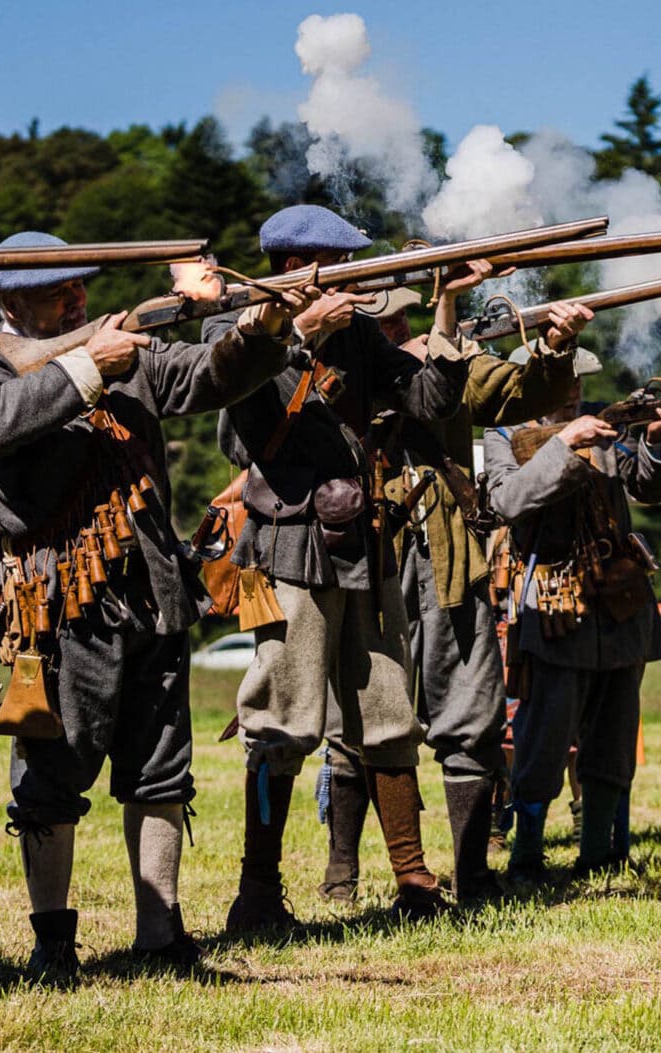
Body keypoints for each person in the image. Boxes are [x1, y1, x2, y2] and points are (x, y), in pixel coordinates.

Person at [0, 231, 306, 984]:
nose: (78, 298)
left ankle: (161, 933)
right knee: (52, 772)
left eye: (81, 286)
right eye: (59, 290)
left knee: (160, 771)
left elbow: (211, 375)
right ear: (13, 300)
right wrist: (84, 368)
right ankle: (53, 943)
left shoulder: (130, 354)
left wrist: (265, 325)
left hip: (151, 588)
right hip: (56, 599)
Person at [208, 204, 491, 928]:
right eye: (334, 264)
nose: (347, 278)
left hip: (362, 541)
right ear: (296, 267)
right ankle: (259, 893)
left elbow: (429, 399)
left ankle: (412, 878)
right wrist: (299, 336)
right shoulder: (240, 330)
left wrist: (448, 304)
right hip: (286, 545)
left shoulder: (363, 333)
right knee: (279, 717)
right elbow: (235, 439)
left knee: (390, 709)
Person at [317, 301, 593, 905]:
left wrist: (553, 347)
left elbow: (519, 394)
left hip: (447, 553)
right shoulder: (324, 362)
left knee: (470, 713)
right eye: (383, 323)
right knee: (353, 715)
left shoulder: (451, 363)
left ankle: (473, 876)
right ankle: (343, 875)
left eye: (403, 321)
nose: (394, 334)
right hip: (362, 551)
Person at [482, 350, 661, 879]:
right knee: (541, 740)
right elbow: (509, 501)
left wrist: (660, 438)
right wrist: (564, 444)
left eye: (578, 379)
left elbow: (649, 487)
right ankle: (527, 856)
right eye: (563, 378)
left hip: (618, 604)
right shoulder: (506, 434)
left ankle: (604, 854)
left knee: (615, 739)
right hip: (553, 604)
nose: (575, 388)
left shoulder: (608, 424)